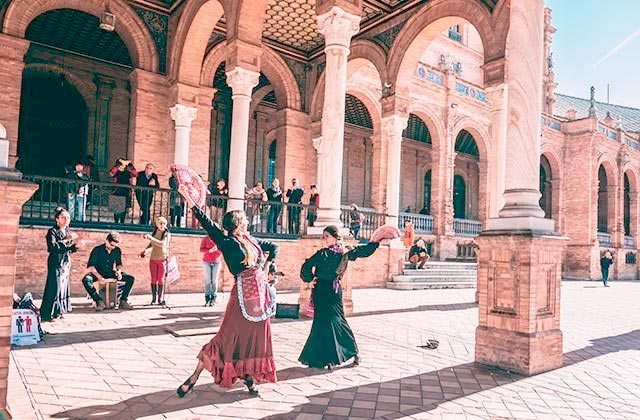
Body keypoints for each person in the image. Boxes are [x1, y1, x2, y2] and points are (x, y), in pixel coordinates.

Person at [176, 184, 278, 397]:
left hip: (259, 295)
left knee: (253, 339)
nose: (248, 221)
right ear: (238, 224)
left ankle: (248, 377)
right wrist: (190, 200)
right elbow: (207, 223)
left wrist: (267, 268)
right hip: (242, 297)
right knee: (227, 337)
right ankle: (193, 376)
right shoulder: (227, 241)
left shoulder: (250, 240)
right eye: (245, 219)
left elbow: (274, 247)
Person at [299, 226, 382, 370]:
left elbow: (363, 251)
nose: (324, 239)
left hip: (334, 291)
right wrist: (310, 279)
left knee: (338, 321)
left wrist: (375, 242)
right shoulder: (322, 253)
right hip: (320, 291)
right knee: (321, 324)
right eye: (323, 236)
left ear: (336, 237)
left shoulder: (345, 252)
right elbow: (306, 266)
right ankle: (326, 358)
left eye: (327, 236)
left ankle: (353, 352)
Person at [41, 208, 82, 322]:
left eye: (68, 218)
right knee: (54, 286)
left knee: (63, 287)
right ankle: (46, 314)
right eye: (63, 217)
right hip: (55, 261)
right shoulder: (52, 231)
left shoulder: (68, 231)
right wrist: (66, 240)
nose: (66, 220)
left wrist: (76, 247)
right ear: (57, 219)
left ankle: (59, 311)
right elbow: (52, 247)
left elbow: (68, 249)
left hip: (65, 262)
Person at [82, 232, 135, 311]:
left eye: (115, 246)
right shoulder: (97, 250)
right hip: (97, 273)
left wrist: (119, 271)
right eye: (111, 245)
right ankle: (98, 300)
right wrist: (99, 277)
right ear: (106, 241)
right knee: (86, 280)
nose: (113, 247)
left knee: (130, 278)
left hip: (109, 272)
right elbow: (91, 267)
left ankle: (123, 301)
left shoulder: (117, 250)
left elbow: (119, 264)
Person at [140, 217, 171, 305]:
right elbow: (152, 245)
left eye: (164, 224)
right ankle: (153, 299)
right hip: (153, 258)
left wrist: (150, 238)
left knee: (160, 279)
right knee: (153, 279)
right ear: (157, 224)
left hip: (162, 258)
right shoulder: (154, 233)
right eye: (160, 223)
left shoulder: (166, 234)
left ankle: (160, 299)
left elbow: (162, 244)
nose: (162, 225)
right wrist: (145, 251)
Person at [110, 158, 137, 223]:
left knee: (123, 211)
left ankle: (122, 223)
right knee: (116, 211)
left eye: (124, 164)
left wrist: (130, 164)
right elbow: (112, 172)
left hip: (125, 192)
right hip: (116, 192)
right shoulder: (116, 171)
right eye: (122, 164)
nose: (123, 165)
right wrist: (119, 163)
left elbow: (135, 174)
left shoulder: (127, 172)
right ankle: (116, 224)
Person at [200, 234, 222, 307]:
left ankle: (213, 297)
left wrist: (217, 249)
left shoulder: (219, 238)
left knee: (214, 281)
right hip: (206, 262)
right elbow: (201, 249)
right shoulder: (206, 238)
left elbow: (223, 250)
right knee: (208, 280)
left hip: (217, 262)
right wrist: (209, 250)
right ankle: (207, 298)